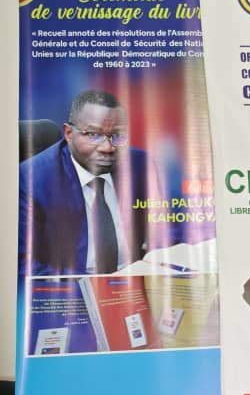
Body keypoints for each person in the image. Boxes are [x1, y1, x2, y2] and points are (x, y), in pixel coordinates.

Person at [18, 90, 154, 276]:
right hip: (72, 286)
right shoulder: (31, 180)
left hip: (133, 280)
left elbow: (169, 226)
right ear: (68, 133)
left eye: (118, 136)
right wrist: (88, 287)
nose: (107, 148)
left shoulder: (141, 164)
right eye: (93, 134)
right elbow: (21, 262)